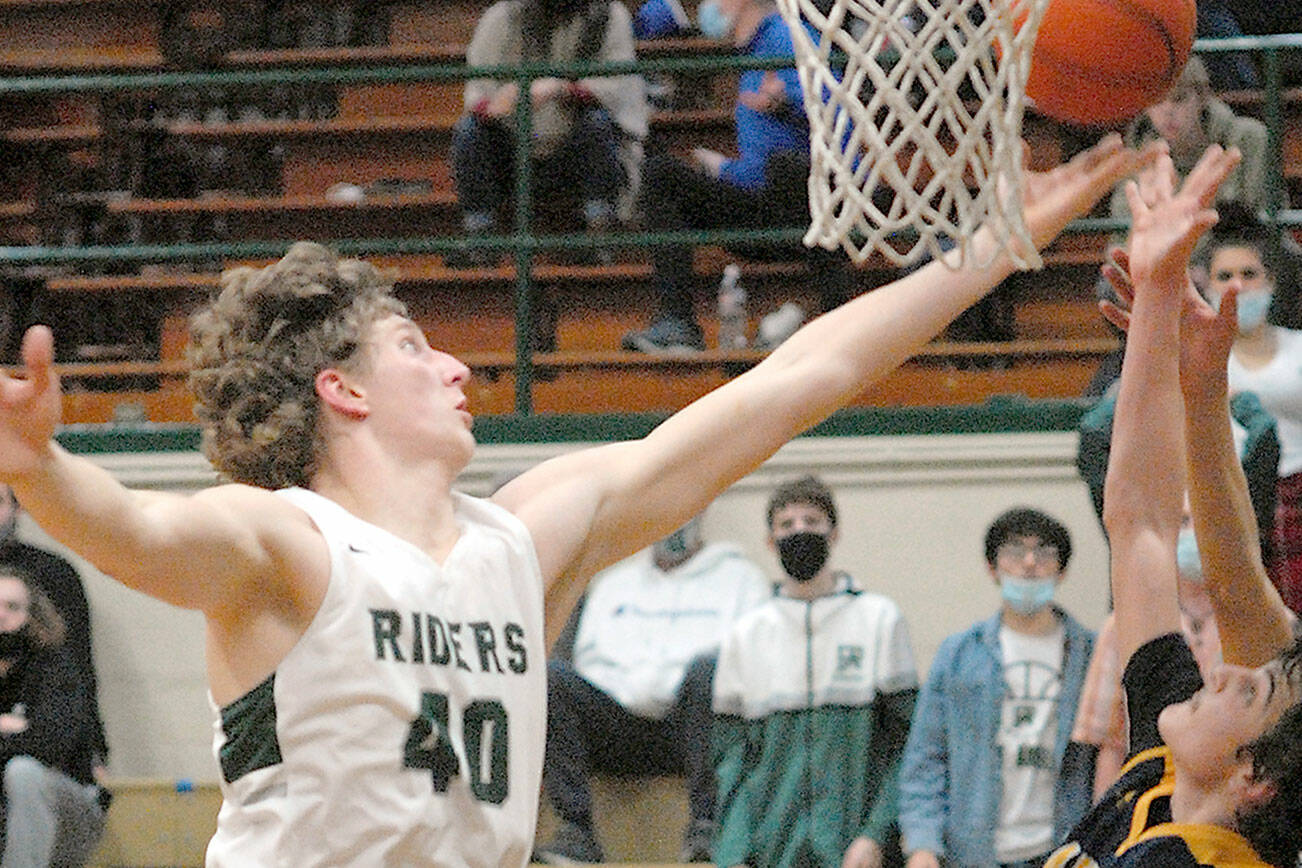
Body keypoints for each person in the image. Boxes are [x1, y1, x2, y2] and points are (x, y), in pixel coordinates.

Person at [0, 132, 1151, 866]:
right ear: (338, 388)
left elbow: (794, 383)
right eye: (414, 346)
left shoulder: (526, 535)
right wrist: (40, 468)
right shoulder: (289, 540)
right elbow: (141, 533)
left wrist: (995, 248)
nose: (456, 366)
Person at [1043, 144, 1302, 867]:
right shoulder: (1161, 775)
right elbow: (1141, 528)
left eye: (1245, 692)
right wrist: (1159, 295)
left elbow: (1235, 586)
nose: (1220, 667)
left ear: (1257, 780)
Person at [620, 0, 855, 353]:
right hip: (764, 204)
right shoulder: (754, 51)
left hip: (807, 208)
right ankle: (677, 325)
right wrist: (725, 169)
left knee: (787, 170)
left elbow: (838, 123)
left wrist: (787, 106)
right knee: (663, 176)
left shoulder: (786, 39)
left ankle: (838, 320)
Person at [535, 512, 769, 864]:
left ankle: (706, 826)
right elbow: (588, 663)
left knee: (710, 671)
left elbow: (748, 668)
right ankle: (576, 832)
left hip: (693, 729)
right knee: (552, 676)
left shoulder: (742, 580)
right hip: (619, 727)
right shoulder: (615, 585)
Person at [711, 476, 917, 868]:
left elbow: (907, 746)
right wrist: (733, 853)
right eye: (787, 525)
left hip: (855, 853)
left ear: (834, 534)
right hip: (772, 851)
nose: (800, 531)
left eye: (812, 520)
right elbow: (731, 761)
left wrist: (875, 835)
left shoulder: (879, 620)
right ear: (770, 541)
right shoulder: (746, 634)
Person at [898, 508, 1096, 868]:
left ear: (1062, 570)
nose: (1030, 563)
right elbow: (926, 759)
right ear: (993, 568)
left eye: (1045, 553)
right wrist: (922, 846)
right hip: (975, 853)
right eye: (1015, 551)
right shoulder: (959, 654)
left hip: (1066, 849)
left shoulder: (1090, 654)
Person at [448, 0, 649, 268]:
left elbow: (618, 88)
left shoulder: (610, 15)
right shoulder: (502, 17)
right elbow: (476, 94)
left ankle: (599, 233)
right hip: (514, 150)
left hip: (574, 149)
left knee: (598, 125)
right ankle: (480, 237)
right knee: (469, 132)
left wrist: (561, 89)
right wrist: (502, 102)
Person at [1194, 203, 1302, 614]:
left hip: (1295, 494)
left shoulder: (1299, 347)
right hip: (1231, 500)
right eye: (1225, 276)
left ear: (1271, 282)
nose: (1237, 286)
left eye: (1249, 275)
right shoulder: (1196, 361)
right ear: (1207, 285)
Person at [0, 485, 109, 780]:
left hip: (42, 744)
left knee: (25, 776)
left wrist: (95, 751)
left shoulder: (53, 575)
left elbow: (79, 669)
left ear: (17, 506)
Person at [0, 564, 105, 866]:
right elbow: (34, 737)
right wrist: (16, 731)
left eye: (12, 607)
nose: (2, 616)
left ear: (31, 615)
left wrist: (17, 737)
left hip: (68, 806)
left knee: (23, 772)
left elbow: (51, 743)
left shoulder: (54, 666)